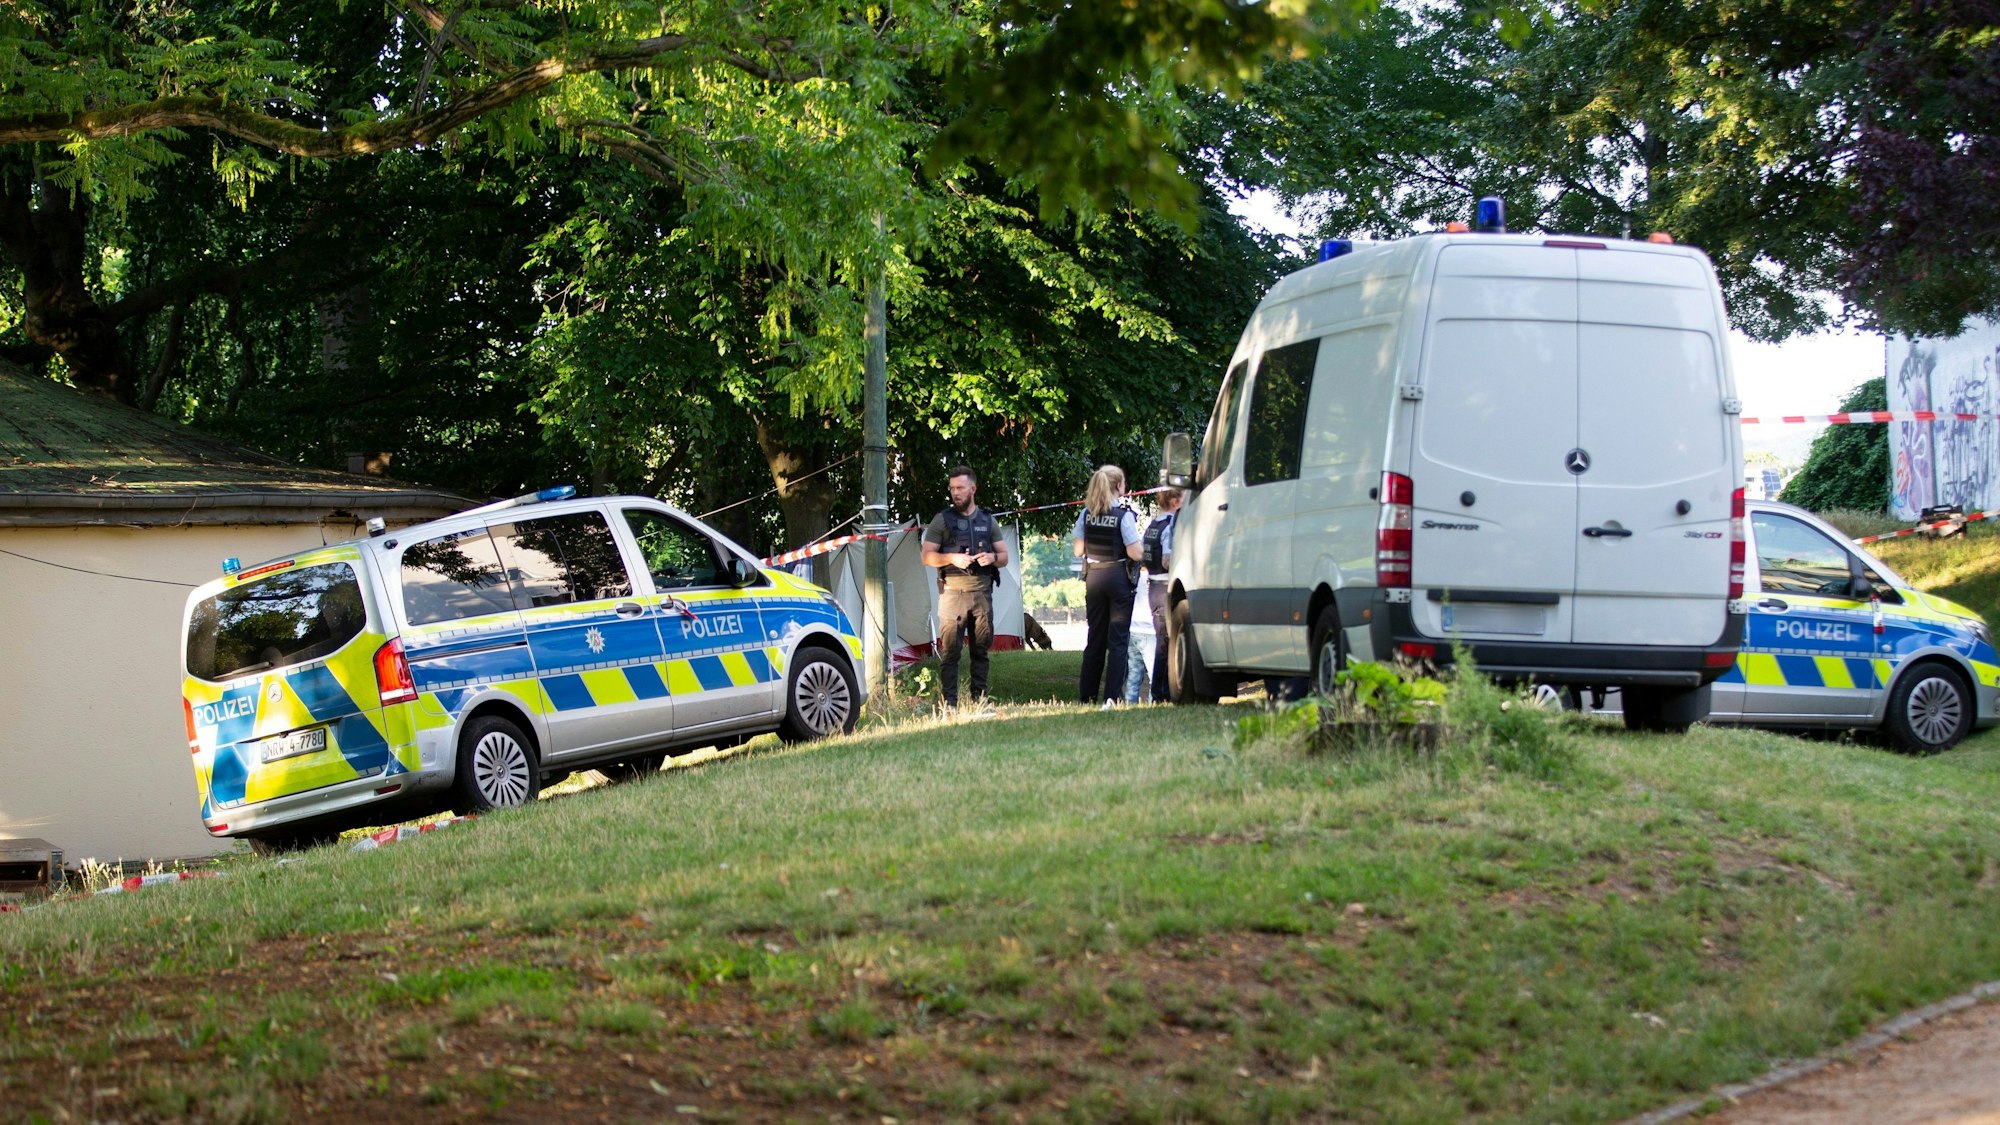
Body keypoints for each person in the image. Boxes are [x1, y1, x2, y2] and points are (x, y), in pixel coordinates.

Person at [921, 465, 1009, 708]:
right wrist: (951, 558)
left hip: (982, 595)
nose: (955, 493)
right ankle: (949, 704)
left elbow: (1004, 556)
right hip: (952, 595)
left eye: (960, 488)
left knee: (981, 651)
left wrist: (992, 558)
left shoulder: (987, 520)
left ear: (973, 488)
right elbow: (927, 556)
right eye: (952, 488)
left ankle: (979, 701)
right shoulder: (942, 520)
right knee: (950, 654)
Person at [1072, 464, 1143, 705]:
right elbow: (1134, 552)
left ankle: (1087, 696)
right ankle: (1112, 697)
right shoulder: (1123, 517)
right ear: (1119, 486)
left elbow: (1078, 549)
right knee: (1118, 640)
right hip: (1117, 578)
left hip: (1094, 578)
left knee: (1095, 639)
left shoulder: (1085, 514)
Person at [1140, 486, 1182, 701]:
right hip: (1165, 587)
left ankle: (1161, 692)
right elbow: (1167, 560)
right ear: (1175, 501)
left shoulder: (1152, 526)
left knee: (1163, 641)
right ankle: (1161, 693)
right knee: (1165, 644)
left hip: (1153, 588)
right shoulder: (1170, 526)